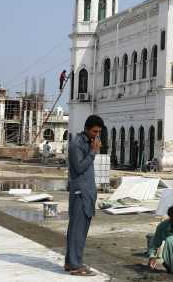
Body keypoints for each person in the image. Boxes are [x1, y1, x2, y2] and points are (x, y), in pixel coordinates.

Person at [64, 115, 103, 276]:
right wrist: (93, 152)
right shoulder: (76, 144)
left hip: (87, 192)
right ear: (87, 128)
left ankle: (71, 262)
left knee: (80, 229)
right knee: (77, 230)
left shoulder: (88, 142)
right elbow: (79, 168)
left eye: (99, 132)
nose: (96, 135)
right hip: (80, 192)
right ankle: (75, 265)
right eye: (94, 131)